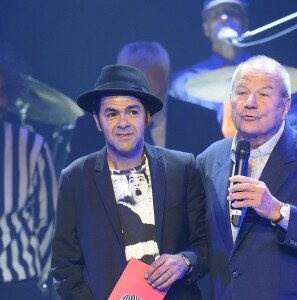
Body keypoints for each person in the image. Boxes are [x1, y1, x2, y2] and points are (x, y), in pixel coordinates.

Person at [51, 64, 209, 300]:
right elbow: (65, 267)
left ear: (147, 116)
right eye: (112, 113)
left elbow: (206, 245)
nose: (123, 122)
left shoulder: (182, 167)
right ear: (97, 120)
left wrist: (185, 261)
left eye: (132, 112)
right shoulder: (75, 178)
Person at [196, 55, 297, 300]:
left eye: (264, 94)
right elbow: (200, 240)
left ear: (285, 106)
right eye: (241, 92)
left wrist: (278, 211)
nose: (250, 103)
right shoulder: (209, 159)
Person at [66, 41, 222, 164]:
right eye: (136, 97)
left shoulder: (202, 122)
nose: (146, 107)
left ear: (168, 78)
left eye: (153, 97)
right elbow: (74, 190)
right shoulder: (88, 128)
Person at [0, 44, 57, 299]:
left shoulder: (31, 147)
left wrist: (42, 283)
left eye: (1, 91)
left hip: (20, 283)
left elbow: (49, 221)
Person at [170, 0, 251, 138]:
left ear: (245, 23)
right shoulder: (181, 84)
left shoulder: (273, 76)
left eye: (232, 12)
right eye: (216, 14)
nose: (225, 18)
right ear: (206, 28)